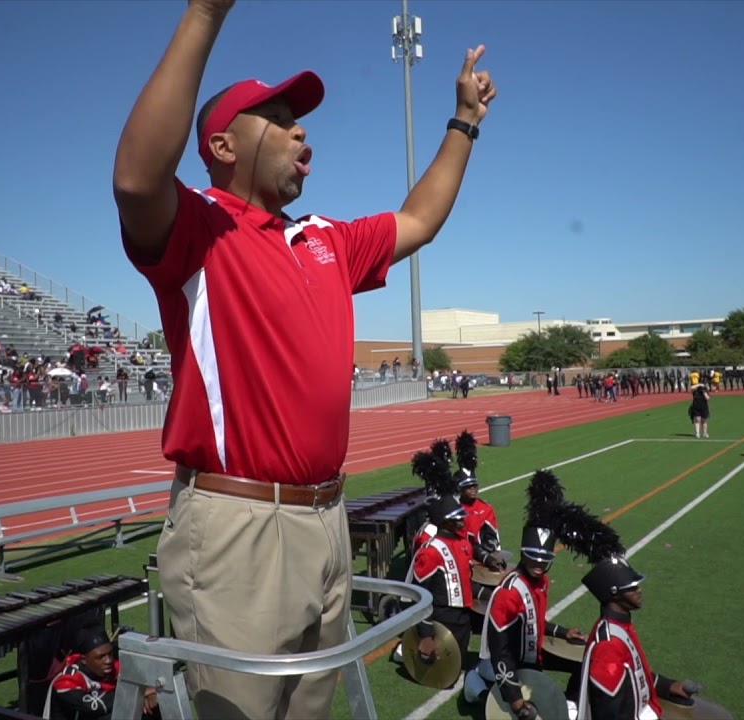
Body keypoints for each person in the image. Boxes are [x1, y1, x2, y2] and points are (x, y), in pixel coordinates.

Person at [112, 0, 497, 715]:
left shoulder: (325, 238)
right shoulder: (199, 229)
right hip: (238, 525)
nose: (301, 130)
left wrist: (464, 122)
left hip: (327, 516)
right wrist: (205, 13)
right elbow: (137, 179)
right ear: (223, 146)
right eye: (279, 117)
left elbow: (418, 220)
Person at [465, 470, 586, 717]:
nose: (538, 564)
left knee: (582, 661)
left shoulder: (541, 582)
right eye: (533, 557)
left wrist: (561, 632)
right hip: (513, 661)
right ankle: (478, 687)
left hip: (532, 654)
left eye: (544, 559)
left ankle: (570, 705)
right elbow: (499, 648)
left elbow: (534, 621)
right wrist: (513, 696)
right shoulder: (509, 593)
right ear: (522, 554)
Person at [573, 515, 703, 719]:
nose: (639, 590)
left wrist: (667, 686)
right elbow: (608, 712)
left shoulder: (620, 627)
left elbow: (633, 673)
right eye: (631, 587)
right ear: (614, 594)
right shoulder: (609, 645)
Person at [407, 450, 475, 671]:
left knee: (460, 665)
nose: (462, 521)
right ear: (444, 521)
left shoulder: (462, 543)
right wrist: (426, 633)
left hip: (463, 614)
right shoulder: (430, 551)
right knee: (444, 671)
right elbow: (419, 594)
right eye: (456, 519)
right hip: (442, 617)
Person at [47, 625, 158, 720]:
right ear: (84, 660)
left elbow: (146, 682)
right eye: (101, 657)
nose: (108, 660)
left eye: (110, 653)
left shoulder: (113, 667)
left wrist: (151, 697)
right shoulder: (66, 681)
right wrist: (138, 695)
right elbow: (94, 706)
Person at [454, 430, 503, 571]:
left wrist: (487, 549)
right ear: (460, 489)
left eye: (475, 485)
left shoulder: (485, 508)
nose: (473, 489)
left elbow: (492, 537)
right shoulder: (455, 510)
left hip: (482, 559)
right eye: (468, 487)